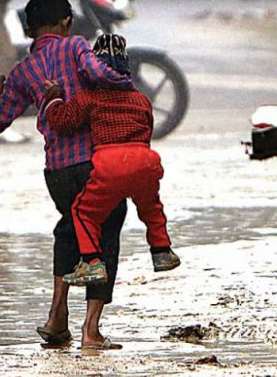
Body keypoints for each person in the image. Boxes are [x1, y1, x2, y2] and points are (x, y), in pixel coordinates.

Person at [0, 0, 131, 350]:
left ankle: (56, 316)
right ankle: (91, 330)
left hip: (58, 172)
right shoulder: (76, 46)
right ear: (66, 23)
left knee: (69, 229)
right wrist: (124, 81)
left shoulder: (24, 71)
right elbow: (99, 73)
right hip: (96, 164)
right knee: (105, 231)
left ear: (31, 29)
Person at [41, 34, 181, 286]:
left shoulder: (90, 99)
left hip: (109, 161)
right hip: (145, 159)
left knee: (83, 212)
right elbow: (148, 128)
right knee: (151, 207)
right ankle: (161, 250)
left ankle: (92, 262)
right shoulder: (141, 100)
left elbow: (63, 121)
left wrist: (53, 98)